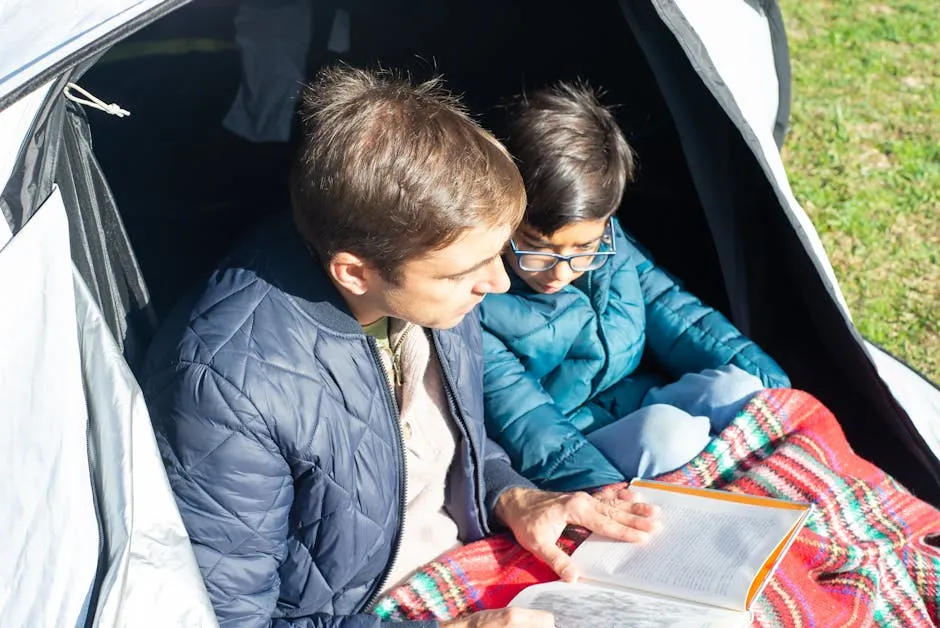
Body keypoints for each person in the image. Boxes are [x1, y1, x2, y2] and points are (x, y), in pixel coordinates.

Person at [140, 67, 658, 628]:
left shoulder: (435, 278)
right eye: (465, 271)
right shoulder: (226, 389)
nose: (499, 283)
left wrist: (513, 497)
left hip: (472, 558)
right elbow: (234, 619)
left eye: (496, 253)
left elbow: (443, 441)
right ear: (355, 273)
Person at [480, 82, 791, 492]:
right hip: (575, 449)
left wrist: (781, 397)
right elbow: (528, 424)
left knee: (744, 390)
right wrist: (605, 495)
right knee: (670, 437)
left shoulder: (611, 247)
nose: (560, 271)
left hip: (636, 401)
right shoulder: (481, 300)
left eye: (583, 248)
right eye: (537, 248)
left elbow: (678, 314)